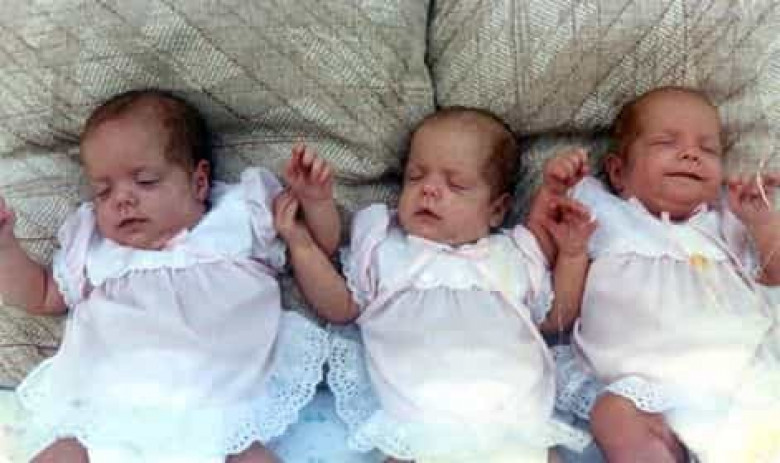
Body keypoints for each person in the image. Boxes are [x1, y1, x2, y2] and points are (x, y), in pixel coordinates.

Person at [7, 89, 333, 462]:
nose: (122, 199)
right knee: (63, 454)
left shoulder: (241, 215)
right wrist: (4, 248)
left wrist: (316, 203)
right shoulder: (95, 244)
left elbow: (318, 247)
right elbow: (41, 294)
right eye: (103, 191)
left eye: (145, 181)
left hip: (222, 405)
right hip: (108, 406)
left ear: (199, 182)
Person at [274, 106, 594, 462]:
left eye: (455, 185)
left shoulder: (512, 255)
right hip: (418, 425)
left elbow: (556, 318)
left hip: (513, 419)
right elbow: (339, 307)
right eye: (415, 177)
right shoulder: (386, 246)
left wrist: (572, 253)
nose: (428, 189)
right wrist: (302, 245)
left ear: (496, 210)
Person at [546, 86, 780, 462]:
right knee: (613, 416)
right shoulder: (600, 214)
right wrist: (568, 239)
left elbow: (774, 275)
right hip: (632, 390)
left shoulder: (728, 221)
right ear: (618, 172)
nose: (690, 153)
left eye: (708, 149)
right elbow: (560, 314)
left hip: (732, 387)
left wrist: (763, 222)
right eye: (666, 143)